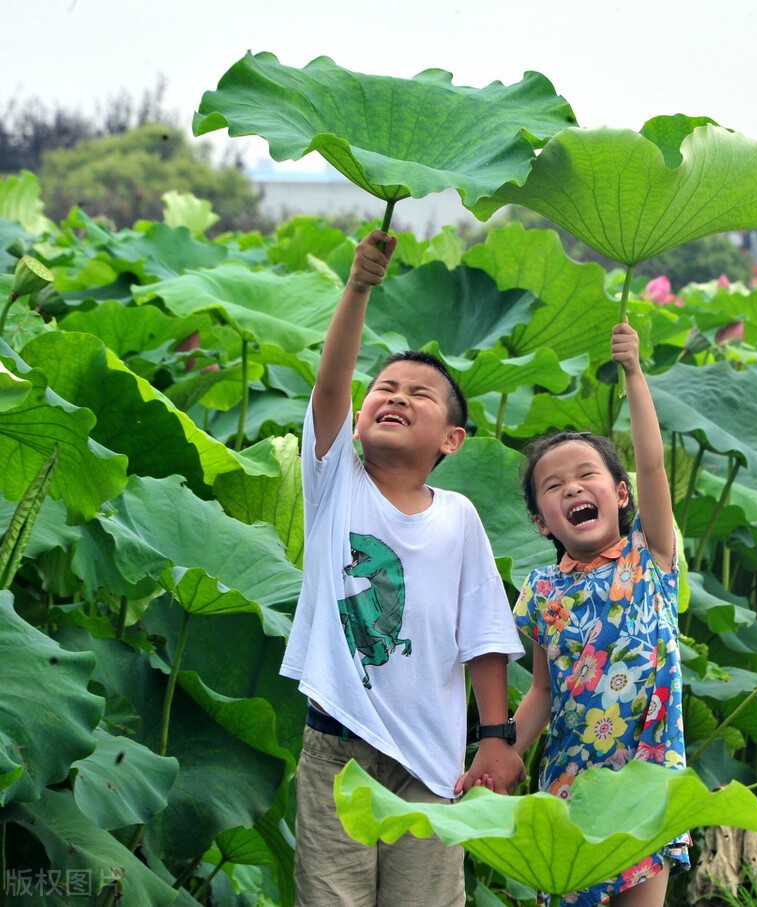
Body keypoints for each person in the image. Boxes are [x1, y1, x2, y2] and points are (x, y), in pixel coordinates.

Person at [282, 228, 526, 907]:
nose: (396, 394)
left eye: (420, 393)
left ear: (452, 439)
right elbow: (330, 386)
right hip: (338, 748)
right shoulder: (337, 485)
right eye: (384, 387)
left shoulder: (459, 517)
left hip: (431, 764)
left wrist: (497, 736)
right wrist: (358, 287)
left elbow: (483, 636)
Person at [459, 321, 689, 906]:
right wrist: (505, 753)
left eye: (587, 475)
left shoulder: (650, 557)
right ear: (541, 522)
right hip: (570, 781)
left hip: (646, 778)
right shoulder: (541, 592)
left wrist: (634, 374)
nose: (572, 488)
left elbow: (654, 463)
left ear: (621, 494)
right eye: (553, 486)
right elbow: (542, 689)